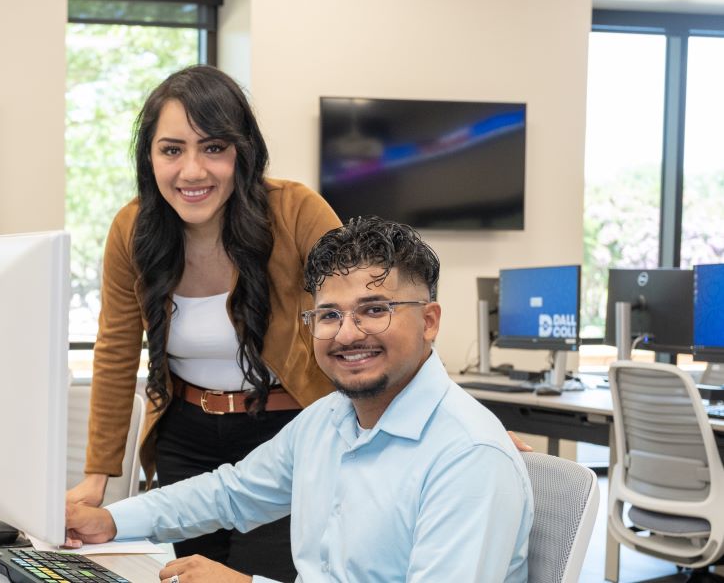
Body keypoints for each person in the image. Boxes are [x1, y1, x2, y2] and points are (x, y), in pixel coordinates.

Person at [66, 216, 535, 583]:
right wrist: (109, 520)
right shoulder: (329, 420)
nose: (348, 334)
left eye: (375, 310)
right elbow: (230, 493)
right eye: (329, 315)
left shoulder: (469, 458)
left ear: (430, 321)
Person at [66, 64, 341, 581]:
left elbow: (371, 311)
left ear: (243, 152)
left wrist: (439, 414)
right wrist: (95, 475)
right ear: (150, 158)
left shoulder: (296, 211)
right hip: (185, 436)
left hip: (287, 432)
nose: (192, 171)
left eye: (213, 147)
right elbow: (117, 350)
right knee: (188, 575)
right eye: (172, 150)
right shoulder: (133, 228)